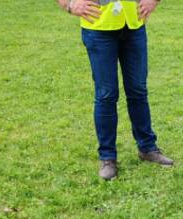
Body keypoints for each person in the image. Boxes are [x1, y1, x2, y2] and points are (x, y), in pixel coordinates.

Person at [56, 0, 173, 180]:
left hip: (134, 24)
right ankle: (108, 157)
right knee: (106, 94)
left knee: (138, 91)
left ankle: (148, 148)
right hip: (98, 27)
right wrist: (70, 5)